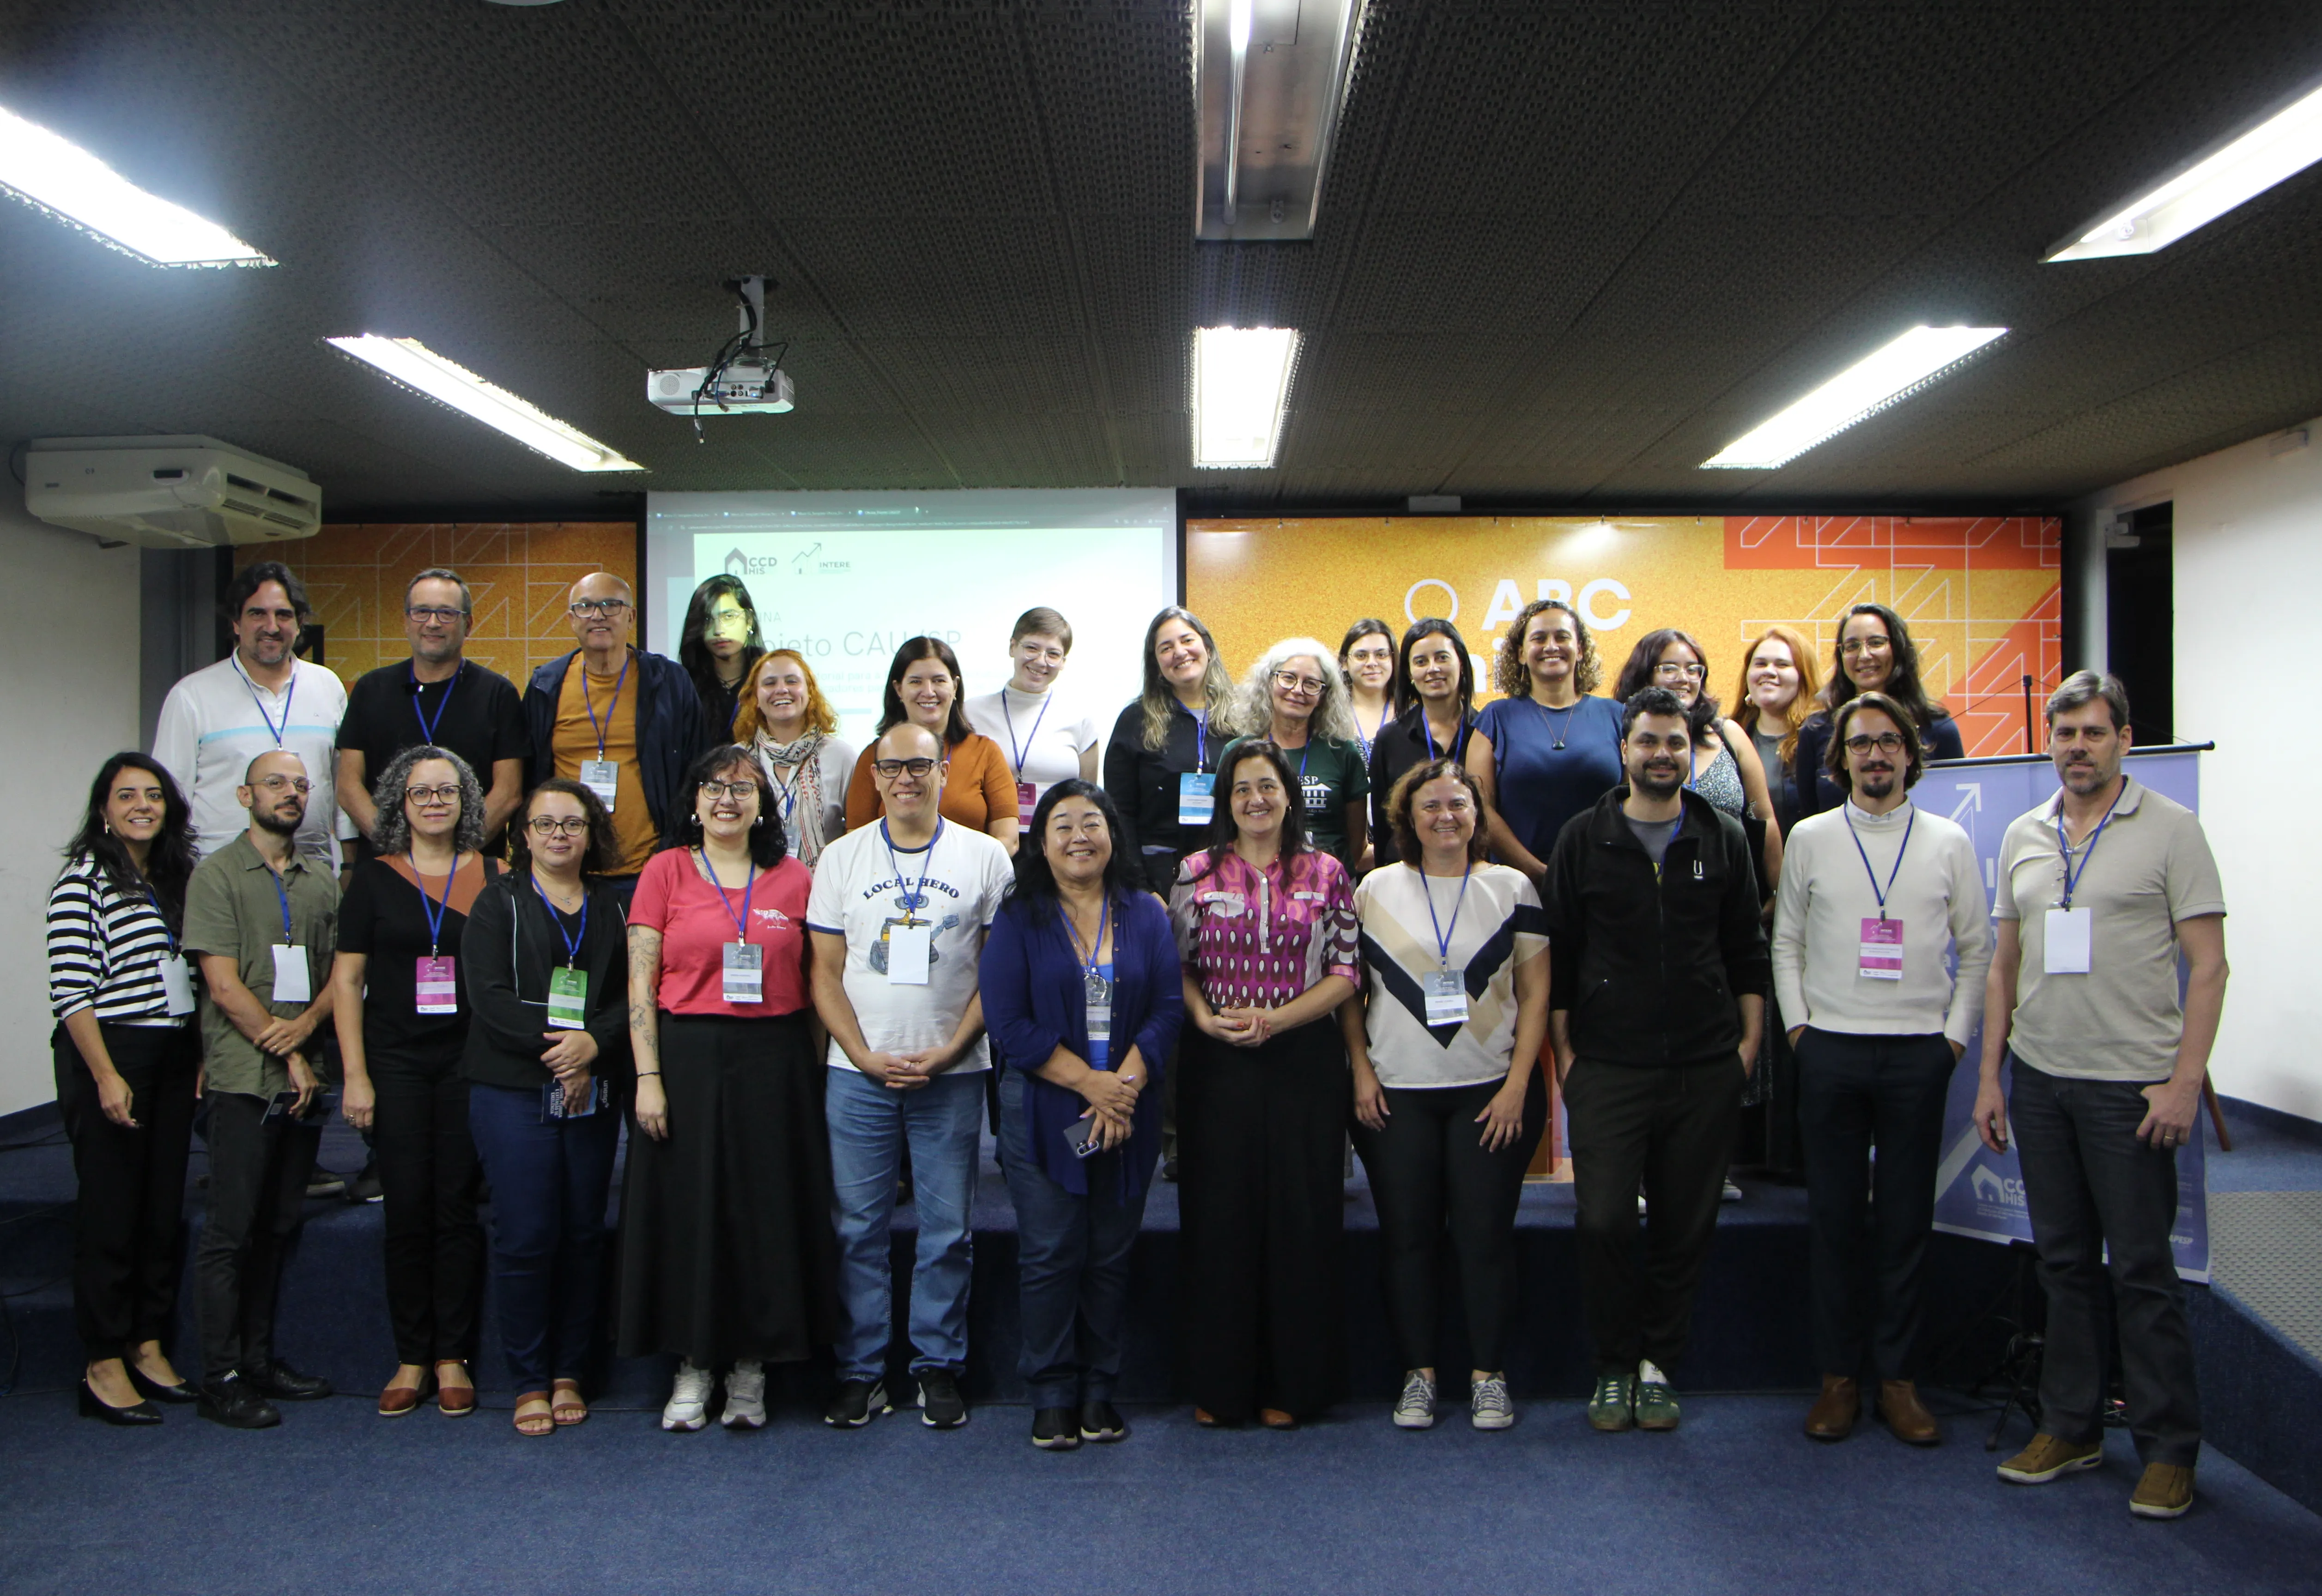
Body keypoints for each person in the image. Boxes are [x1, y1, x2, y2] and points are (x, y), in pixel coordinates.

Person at [1973, 672, 2227, 1520]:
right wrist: (1991, 1077)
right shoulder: (2023, 834)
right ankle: (2070, 1427)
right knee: (2063, 1265)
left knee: (2143, 1273)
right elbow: (2003, 966)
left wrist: (2183, 1083)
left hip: (2130, 1088)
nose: (2076, 747)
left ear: (2123, 739)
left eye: (2091, 732)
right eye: (2064, 734)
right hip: (2041, 1081)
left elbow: (2208, 967)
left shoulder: (2171, 829)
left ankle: (2167, 1451)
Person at [1542, 687, 1768, 1435]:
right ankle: (1612, 1365)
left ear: (1687, 752)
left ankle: (1656, 1366)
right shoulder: (1582, 837)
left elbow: (1746, 951)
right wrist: (1566, 1057)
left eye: (1673, 742)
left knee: (1683, 1226)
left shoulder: (1721, 836)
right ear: (1624, 750)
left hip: (1704, 1067)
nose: (1661, 754)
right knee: (1604, 1220)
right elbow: (1560, 955)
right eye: (1647, 741)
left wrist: (1744, 1051)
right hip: (1607, 1066)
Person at [1771, 693, 1990, 1446]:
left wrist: (1951, 1041)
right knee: (1833, 1223)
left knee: (1904, 1223)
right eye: (1860, 743)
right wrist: (1799, 1030)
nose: (1875, 755)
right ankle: (1837, 1380)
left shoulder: (1948, 841)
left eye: (1889, 741)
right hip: (1828, 1048)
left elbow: (1977, 949)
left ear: (1909, 754)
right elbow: (1786, 942)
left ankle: (1897, 1381)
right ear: (1839, 760)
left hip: (1917, 1054)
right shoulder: (1809, 837)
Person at [809, 722, 1014, 1430]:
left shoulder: (986, 857)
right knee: (857, 1229)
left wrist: (953, 1048)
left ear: (942, 771)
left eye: (919, 766)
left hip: (951, 1072)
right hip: (856, 1074)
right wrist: (860, 1053)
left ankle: (936, 1365)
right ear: (873, 776)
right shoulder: (840, 857)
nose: (905, 778)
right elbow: (823, 974)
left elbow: (995, 974)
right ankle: (861, 1372)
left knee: (948, 1230)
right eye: (891, 767)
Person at [620, 746, 831, 1432]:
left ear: (762, 803)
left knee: (764, 1214)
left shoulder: (795, 877)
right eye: (713, 788)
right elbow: (640, 983)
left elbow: (817, 985)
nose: (726, 800)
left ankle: (750, 1366)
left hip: (775, 1061)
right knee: (692, 1213)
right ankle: (693, 1364)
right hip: (686, 1058)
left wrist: (814, 1075)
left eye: (742, 789)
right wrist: (647, 1077)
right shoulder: (665, 870)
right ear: (694, 800)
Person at [1345, 758, 1548, 1432]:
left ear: (1477, 814)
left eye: (1457, 804)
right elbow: (1348, 991)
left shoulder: (1511, 887)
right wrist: (1360, 1071)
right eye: (1429, 805)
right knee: (1407, 1240)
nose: (1444, 816)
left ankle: (1489, 1376)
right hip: (1394, 1095)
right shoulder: (1373, 888)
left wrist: (1518, 1085)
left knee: (1484, 1239)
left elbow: (1535, 994)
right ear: (1407, 818)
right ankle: (1419, 1376)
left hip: (1489, 1095)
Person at [979, 780, 1182, 1449]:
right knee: (1050, 1252)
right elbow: (1007, 1023)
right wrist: (1093, 1086)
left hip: (1128, 1106)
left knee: (1109, 1256)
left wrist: (1119, 1089)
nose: (1078, 837)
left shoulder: (1145, 913)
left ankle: (1099, 1389)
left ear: (1112, 835)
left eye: (1091, 822)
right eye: (1061, 825)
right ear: (1041, 843)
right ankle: (1050, 1393)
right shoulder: (1020, 917)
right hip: (1044, 1106)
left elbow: (1166, 1011)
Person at [1169, 740, 1361, 1427]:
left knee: (1299, 1218)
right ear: (1226, 801)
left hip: (1302, 1060)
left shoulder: (1327, 872)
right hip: (1217, 1061)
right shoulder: (1194, 872)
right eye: (1242, 788)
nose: (1256, 800)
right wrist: (1204, 1018)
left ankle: (1293, 1386)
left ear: (1288, 796)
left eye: (1268, 787)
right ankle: (1222, 1386)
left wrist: (1275, 1021)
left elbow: (1345, 973)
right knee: (1220, 1219)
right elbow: (1178, 965)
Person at [329, 746, 497, 1418]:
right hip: (394, 1061)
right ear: (400, 802)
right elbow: (347, 981)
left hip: (469, 1062)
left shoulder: (496, 874)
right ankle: (411, 1355)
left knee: (454, 1206)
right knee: (405, 1206)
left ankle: (452, 1355)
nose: (434, 802)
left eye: (446, 791)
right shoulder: (373, 880)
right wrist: (354, 1076)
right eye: (420, 792)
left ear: (467, 801)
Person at [462, 779, 631, 1437]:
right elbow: (489, 998)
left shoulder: (612, 905)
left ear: (591, 834)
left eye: (573, 824)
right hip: (512, 1087)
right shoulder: (495, 902)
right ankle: (530, 1379)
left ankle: (570, 1371)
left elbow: (628, 996)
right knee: (528, 1234)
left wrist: (595, 1046)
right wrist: (567, 1052)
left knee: (584, 1233)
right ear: (523, 835)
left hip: (594, 1087)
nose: (560, 835)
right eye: (546, 824)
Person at [181, 749, 340, 1428]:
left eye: (301, 785)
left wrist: (306, 1031)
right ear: (246, 796)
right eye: (275, 783)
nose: (291, 794)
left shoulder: (320, 880)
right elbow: (221, 985)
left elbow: (342, 977)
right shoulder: (216, 875)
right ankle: (219, 1376)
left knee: (277, 1225)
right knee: (231, 1230)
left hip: (306, 1079)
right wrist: (289, 1049)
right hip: (245, 1079)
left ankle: (258, 1361)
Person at [48, 754, 202, 1425]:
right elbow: (70, 991)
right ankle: (103, 1360)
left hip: (172, 1053)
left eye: (154, 795)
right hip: (111, 1053)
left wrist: (194, 1054)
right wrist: (108, 1075)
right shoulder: (83, 881)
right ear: (104, 809)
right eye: (127, 795)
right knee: (112, 1212)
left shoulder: (172, 877)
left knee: (159, 1208)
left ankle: (146, 1344)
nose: (143, 806)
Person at [523, 570, 711, 904]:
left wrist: (680, 845)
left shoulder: (669, 682)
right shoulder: (545, 686)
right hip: (566, 869)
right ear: (571, 620)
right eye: (585, 607)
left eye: (611, 605)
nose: (598, 615)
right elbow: (529, 776)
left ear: (631, 616)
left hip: (651, 868)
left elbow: (698, 770)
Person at [154, 560, 351, 866]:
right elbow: (169, 797)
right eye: (257, 614)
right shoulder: (192, 695)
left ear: (299, 623)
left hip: (310, 870)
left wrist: (350, 864)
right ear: (236, 623)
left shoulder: (328, 687)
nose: (271, 627)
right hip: (220, 874)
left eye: (283, 615)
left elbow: (344, 786)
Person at [335, 568, 527, 854]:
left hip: (472, 864)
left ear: (468, 624)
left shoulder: (498, 694)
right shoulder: (370, 689)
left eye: (447, 613)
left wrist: (450, 855)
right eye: (422, 612)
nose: (433, 623)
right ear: (406, 622)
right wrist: (397, 848)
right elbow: (349, 786)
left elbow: (508, 793)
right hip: (387, 863)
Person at [1467, 598, 1623, 889]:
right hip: (1518, 885)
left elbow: (1633, 802)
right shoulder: (1495, 719)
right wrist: (1536, 872)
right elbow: (1480, 808)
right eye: (1539, 638)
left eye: (1562, 637)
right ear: (1521, 654)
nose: (1551, 646)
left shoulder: (1617, 716)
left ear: (1580, 649)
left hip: (1605, 884)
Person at [1613, 628, 1783, 884]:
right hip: (1643, 886)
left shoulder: (1728, 734)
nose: (1684, 678)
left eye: (1693, 670)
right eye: (1670, 668)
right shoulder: (1621, 736)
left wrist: (1776, 892)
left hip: (1729, 888)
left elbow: (1764, 818)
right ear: (1644, 674)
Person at [1103, 606, 1240, 896]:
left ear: (1207, 647)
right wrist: (1142, 887)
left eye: (1187, 640)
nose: (1179, 652)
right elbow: (1119, 812)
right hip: (1159, 874)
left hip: (1232, 870)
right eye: (1166, 648)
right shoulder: (1135, 720)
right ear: (1156, 664)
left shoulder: (1243, 715)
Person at [844, 636, 1020, 855]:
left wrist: (957, 869)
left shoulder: (985, 752)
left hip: (971, 875)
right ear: (899, 689)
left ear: (955, 687)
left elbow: (1008, 840)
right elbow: (856, 840)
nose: (928, 692)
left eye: (939, 681)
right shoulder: (875, 755)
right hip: (891, 875)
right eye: (916, 682)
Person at [1791, 604, 1964, 820]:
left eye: (1876, 643)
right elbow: (1810, 815)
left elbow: (1956, 811)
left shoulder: (1940, 729)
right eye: (1852, 646)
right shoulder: (1815, 730)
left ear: (1897, 648)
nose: (1864, 655)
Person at [1215, 638, 1370, 873]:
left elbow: (1356, 844)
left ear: (1324, 695)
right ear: (1269, 683)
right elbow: (1223, 826)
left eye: (1311, 683)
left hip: (1328, 881)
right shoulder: (1238, 751)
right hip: (1254, 879)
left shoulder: (1343, 753)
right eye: (1288, 678)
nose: (1298, 690)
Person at [963, 606, 1102, 835]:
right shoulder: (971, 712)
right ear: (1012, 647)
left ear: (1063, 662)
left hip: (1059, 844)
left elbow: (1088, 800)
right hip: (991, 841)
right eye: (1032, 648)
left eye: (1053, 654)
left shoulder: (1080, 718)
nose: (1041, 661)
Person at [1368, 619, 1478, 869]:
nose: (1433, 669)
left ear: (1461, 663)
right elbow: (1384, 827)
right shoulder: (1390, 740)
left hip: (1474, 872)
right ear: (1409, 673)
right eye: (1421, 662)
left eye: (1442, 658)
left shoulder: (1487, 733)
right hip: (1407, 873)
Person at [734, 648, 853, 868]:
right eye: (770, 683)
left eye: (792, 681)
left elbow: (858, 835)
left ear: (810, 693)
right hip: (750, 882)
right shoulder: (737, 760)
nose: (781, 689)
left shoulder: (841, 757)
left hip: (823, 884)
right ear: (756, 698)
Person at [1734, 624, 1819, 839]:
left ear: (1803, 676)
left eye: (1782, 664)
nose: (1769, 672)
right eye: (1760, 664)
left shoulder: (1822, 738)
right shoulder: (1727, 740)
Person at [677, 574, 765, 738]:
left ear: (749, 621)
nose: (718, 630)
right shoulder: (685, 687)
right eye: (707, 619)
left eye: (728, 617)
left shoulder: (769, 681)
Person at [1340, 619, 1397, 767]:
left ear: (1393, 659)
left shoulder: (1411, 715)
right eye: (1361, 656)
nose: (1372, 663)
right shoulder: (1329, 715)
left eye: (1381, 655)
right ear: (1344, 662)